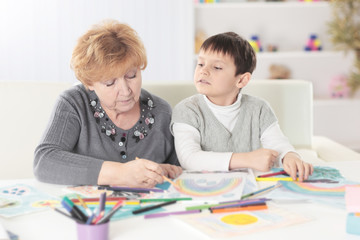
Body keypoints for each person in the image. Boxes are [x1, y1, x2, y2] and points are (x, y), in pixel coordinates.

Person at [34, 20, 182, 187]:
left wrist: (158, 171)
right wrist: (121, 173)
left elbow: (180, 173)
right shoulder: (74, 103)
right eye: (110, 83)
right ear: (89, 83)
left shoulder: (162, 112)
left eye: (131, 75)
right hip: (89, 211)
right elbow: (44, 161)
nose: (126, 91)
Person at [171, 32, 313, 181]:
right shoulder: (187, 110)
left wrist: (289, 156)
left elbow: (278, 144)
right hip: (205, 189)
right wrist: (248, 159)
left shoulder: (259, 109)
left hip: (250, 188)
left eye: (217, 67)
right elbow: (189, 159)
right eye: (200, 63)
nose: (203, 70)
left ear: (242, 80)